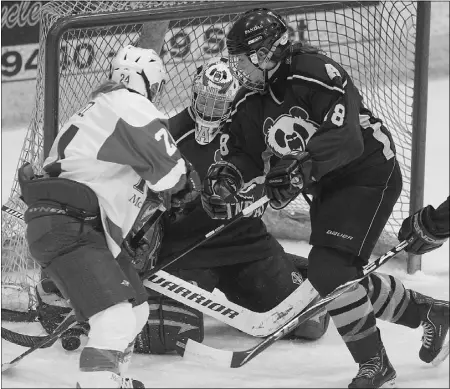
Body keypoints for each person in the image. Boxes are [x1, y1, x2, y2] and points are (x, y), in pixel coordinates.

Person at [200, 9, 449, 388]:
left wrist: (299, 170)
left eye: (242, 60)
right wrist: (226, 181)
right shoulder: (250, 100)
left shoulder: (313, 71)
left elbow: (346, 138)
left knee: (329, 272)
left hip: (367, 171)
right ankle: (429, 313)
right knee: (336, 276)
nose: (238, 70)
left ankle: (376, 367)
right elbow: (242, 152)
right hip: (327, 186)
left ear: (267, 53)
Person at [19, 45, 199, 389]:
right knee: (114, 319)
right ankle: (99, 383)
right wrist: (186, 184)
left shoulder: (100, 107)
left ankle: (112, 378)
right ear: (148, 82)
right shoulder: (130, 105)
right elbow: (170, 175)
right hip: (71, 225)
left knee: (135, 311)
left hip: (79, 225)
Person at [132, 56, 329, 355]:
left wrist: (257, 195)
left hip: (246, 245)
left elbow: (276, 183)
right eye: (205, 100)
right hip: (186, 251)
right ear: (194, 92)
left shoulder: (253, 130)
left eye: (219, 104)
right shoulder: (168, 133)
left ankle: (293, 268)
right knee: (168, 333)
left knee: (310, 324)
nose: (210, 110)